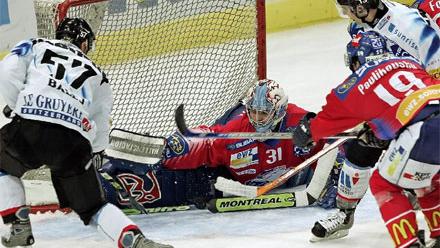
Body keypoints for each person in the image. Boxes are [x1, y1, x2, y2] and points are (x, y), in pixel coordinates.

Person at [0, 17, 172, 248]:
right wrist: (96, 152)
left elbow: (7, 71)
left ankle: (18, 224)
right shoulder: (98, 74)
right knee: (93, 208)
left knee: (2, 165)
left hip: (31, 128)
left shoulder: (36, 44)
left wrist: (17, 106)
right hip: (73, 141)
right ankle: (136, 241)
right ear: (83, 43)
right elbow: (101, 119)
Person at [292, 31, 440, 247]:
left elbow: (327, 120)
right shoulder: (409, 61)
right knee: (428, 181)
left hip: (426, 130)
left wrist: (306, 132)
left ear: (355, 59)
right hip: (428, 116)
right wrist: (380, 131)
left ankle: (408, 244)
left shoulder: (357, 81)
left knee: (383, 184)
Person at [162, 79, 328, 191]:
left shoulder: (299, 123)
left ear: (279, 111)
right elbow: (210, 140)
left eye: (263, 113)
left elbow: (333, 143)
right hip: (231, 135)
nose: (256, 119)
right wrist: (181, 146)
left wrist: (334, 179)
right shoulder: (237, 130)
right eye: (253, 111)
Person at [335, 0, 440, 79]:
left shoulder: (416, 29)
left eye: (346, 10)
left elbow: (436, 79)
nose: (347, 15)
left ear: (360, 8)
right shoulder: (359, 25)